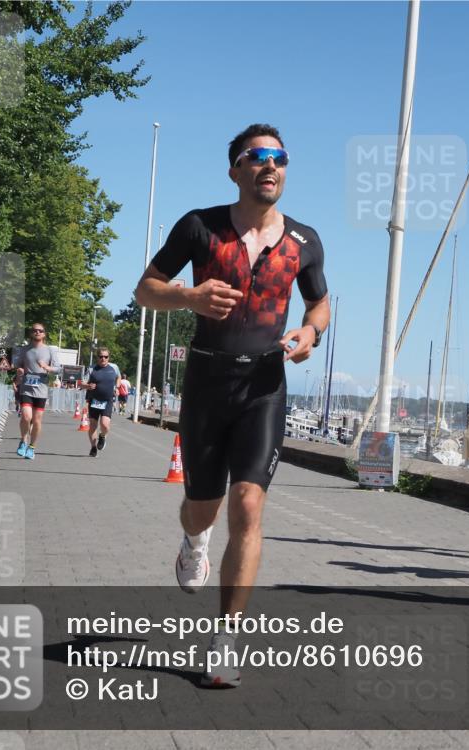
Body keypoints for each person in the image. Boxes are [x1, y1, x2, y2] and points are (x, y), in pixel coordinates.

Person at [134, 123, 330, 688]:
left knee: (248, 506)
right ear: (236, 169)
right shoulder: (200, 226)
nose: (271, 166)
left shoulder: (305, 241)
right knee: (204, 507)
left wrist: (311, 333)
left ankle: (226, 639)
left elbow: (320, 303)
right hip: (206, 383)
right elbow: (145, 288)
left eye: (280, 158)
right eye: (257, 157)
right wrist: (189, 296)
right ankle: (194, 541)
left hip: (264, 386)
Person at [13, 324, 60, 460]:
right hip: (26, 388)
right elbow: (18, 365)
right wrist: (20, 370)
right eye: (35, 330)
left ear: (44, 334)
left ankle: (32, 447)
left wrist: (47, 367)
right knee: (26, 417)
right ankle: (23, 441)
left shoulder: (50, 350)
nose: (38, 332)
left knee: (37, 420)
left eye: (40, 331)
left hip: (41, 389)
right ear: (31, 333)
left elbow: (58, 368)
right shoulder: (24, 350)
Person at [82, 347, 120, 457]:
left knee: (104, 424)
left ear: (109, 357)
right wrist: (88, 385)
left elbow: (118, 377)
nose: (103, 359)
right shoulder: (91, 368)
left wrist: (117, 387)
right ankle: (93, 447)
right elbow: (81, 383)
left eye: (106, 357)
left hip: (107, 400)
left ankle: (102, 436)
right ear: (97, 357)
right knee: (93, 426)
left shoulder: (114, 367)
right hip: (94, 400)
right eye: (101, 357)